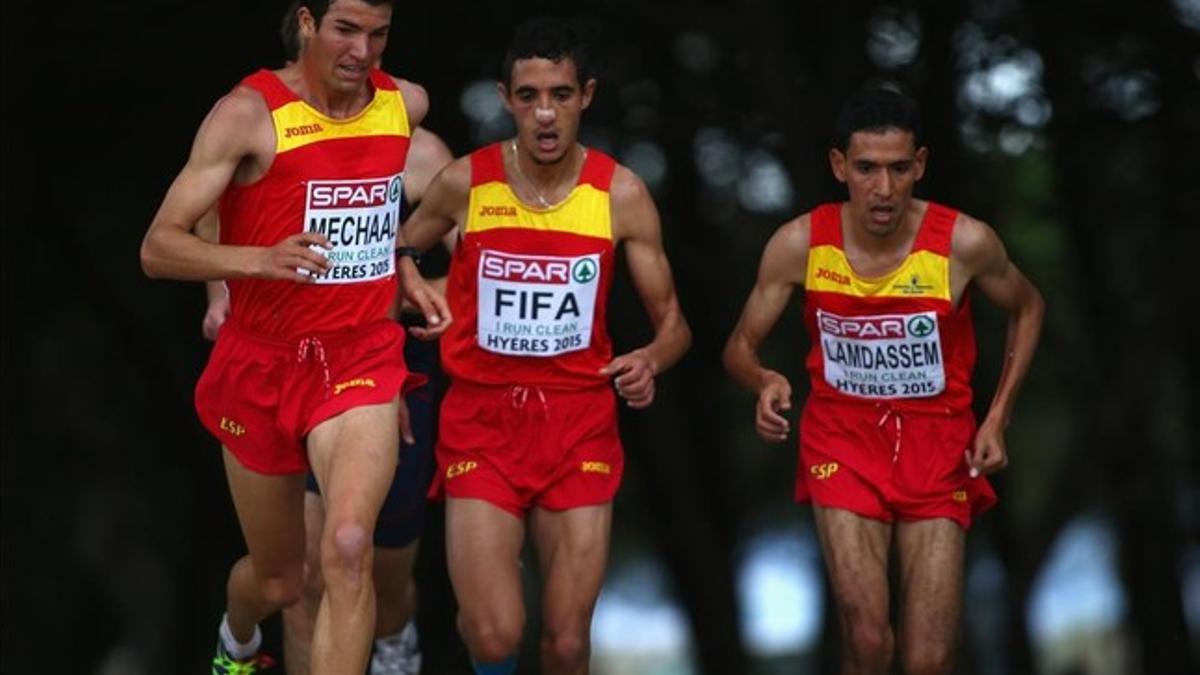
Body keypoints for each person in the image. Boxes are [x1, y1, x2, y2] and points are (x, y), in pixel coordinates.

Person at [139, 1, 449, 672]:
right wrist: (257, 260)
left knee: (348, 546)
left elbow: (377, 205)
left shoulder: (405, 104)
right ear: (307, 22)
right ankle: (237, 640)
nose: (363, 52)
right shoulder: (247, 114)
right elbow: (158, 248)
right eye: (346, 30)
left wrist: (402, 261)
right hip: (263, 362)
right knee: (280, 580)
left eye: (378, 34)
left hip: (361, 357)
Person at [397, 16, 691, 675]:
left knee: (566, 643)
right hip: (481, 420)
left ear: (586, 95)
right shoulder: (465, 182)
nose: (546, 114)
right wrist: (412, 286)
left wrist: (650, 359)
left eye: (560, 94)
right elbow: (393, 256)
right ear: (507, 100)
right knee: (493, 634)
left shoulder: (621, 194)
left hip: (578, 424)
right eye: (528, 97)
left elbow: (674, 324)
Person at [723, 83, 1044, 675]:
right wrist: (763, 380)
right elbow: (739, 347)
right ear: (839, 166)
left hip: (938, 446)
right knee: (868, 640)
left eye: (899, 168)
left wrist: (998, 417)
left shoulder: (964, 242)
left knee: (929, 659)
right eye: (866, 168)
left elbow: (1028, 306)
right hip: (841, 441)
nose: (884, 188)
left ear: (920, 164)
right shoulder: (799, 244)